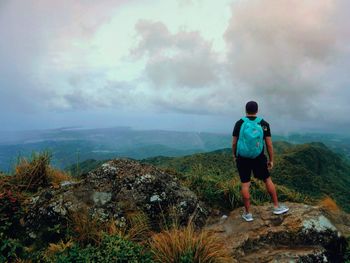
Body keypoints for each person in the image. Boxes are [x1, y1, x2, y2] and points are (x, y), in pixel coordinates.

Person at [232, 101, 289, 222]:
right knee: (267, 180)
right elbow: (269, 144)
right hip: (259, 157)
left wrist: (235, 155)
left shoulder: (239, 123)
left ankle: (248, 214)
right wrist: (271, 159)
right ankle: (276, 207)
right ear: (257, 110)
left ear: (245, 110)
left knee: (245, 184)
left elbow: (234, 142)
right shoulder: (264, 124)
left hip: (243, 158)